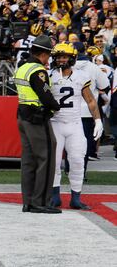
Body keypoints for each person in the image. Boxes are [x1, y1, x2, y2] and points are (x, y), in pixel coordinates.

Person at [49, 43, 103, 210]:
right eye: (58, 56)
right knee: (55, 162)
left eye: (64, 56)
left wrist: (98, 120)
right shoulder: (49, 76)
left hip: (75, 123)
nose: (61, 59)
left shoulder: (81, 75)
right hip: (55, 123)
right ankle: (55, 197)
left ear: (72, 58)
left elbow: (91, 100)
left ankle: (76, 197)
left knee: (78, 160)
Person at [14, 35, 62, 214]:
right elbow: (45, 95)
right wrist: (55, 106)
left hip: (23, 116)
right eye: (49, 54)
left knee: (28, 161)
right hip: (37, 118)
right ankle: (40, 201)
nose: (49, 58)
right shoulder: (38, 70)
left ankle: (27, 201)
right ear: (43, 53)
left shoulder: (22, 67)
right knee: (46, 157)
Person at [73, 42, 110, 168]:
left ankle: (69, 168)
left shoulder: (65, 66)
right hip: (88, 110)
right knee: (85, 141)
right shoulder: (93, 67)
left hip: (69, 110)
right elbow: (105, 86)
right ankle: (81, 169)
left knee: (70, 142)